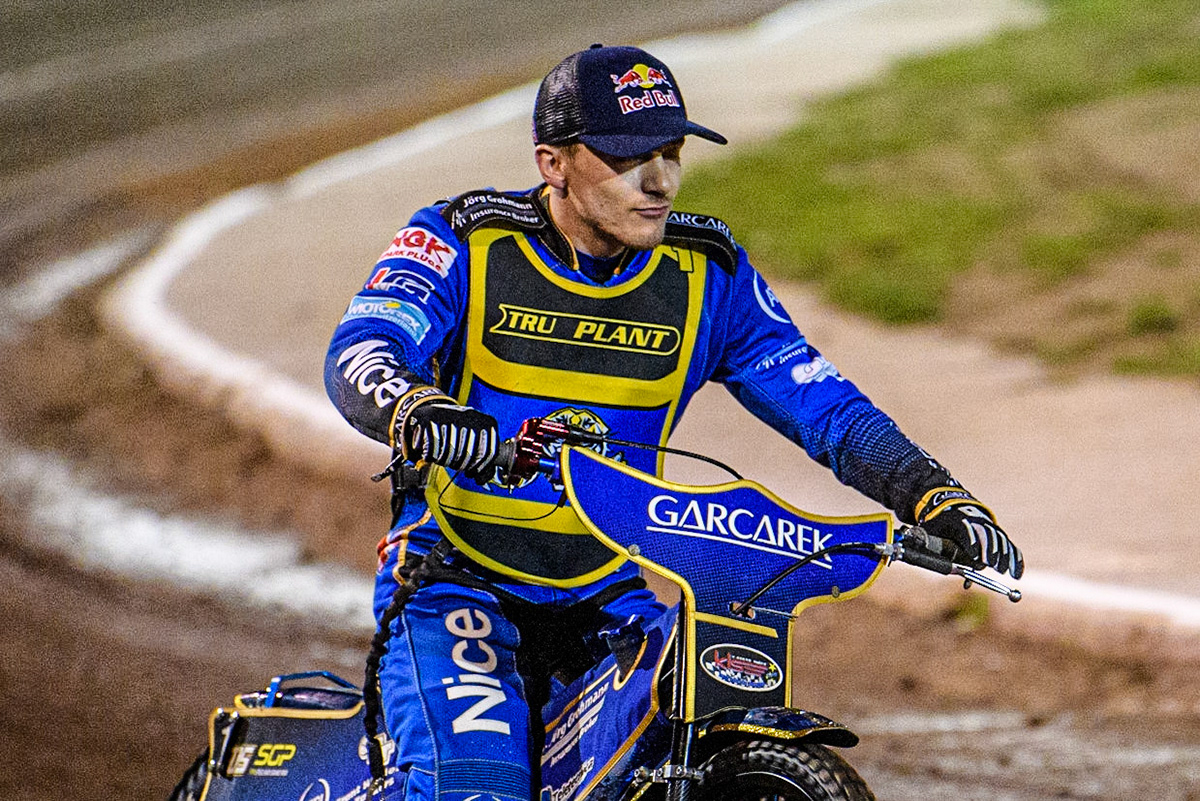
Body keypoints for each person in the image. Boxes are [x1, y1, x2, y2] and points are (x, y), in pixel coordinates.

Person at [324, 43, 1022, 801]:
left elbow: (821, 401)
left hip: (609, 590)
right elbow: (364, 347)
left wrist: (929, 491)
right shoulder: (465, 236)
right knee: (477, 786)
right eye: (629, 158)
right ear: (553, 163)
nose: (658, 181)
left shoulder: (708, 270)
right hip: (454, 582)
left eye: (672, 154)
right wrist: (418, 407)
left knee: (704, 703)